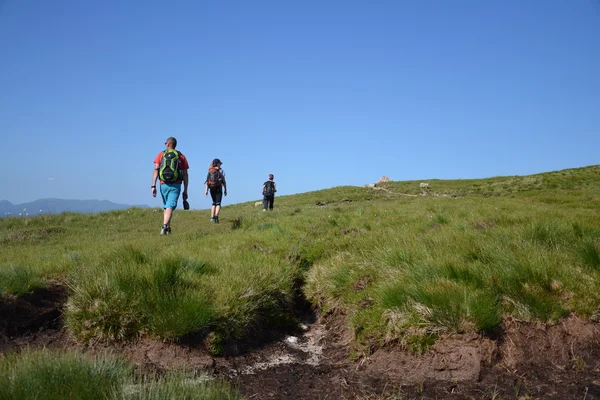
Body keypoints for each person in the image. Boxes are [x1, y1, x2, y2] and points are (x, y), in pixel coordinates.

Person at [151, 137, 189, 235]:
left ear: (168, 144)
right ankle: (164, 226)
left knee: (167, 206)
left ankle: (167, 227)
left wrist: (153, 186)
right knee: (169, 206)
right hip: (176, 184)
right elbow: (185, 174)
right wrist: (185, 190)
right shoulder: (181, 156)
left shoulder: (161, 155)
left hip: (163, 184)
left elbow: (156, 170)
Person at [205, 158, 227, 223]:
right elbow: (224, 181)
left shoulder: (210, 171)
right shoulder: (221, 171)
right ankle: (216, 216)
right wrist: (225, 189)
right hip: (218, 188)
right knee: (218, 204)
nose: (220, 165)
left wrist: (206, 190)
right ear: (218, 164)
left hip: (211, 189)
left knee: (214, 203)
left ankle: (212, 218)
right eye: (220, 163)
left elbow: (207, 181)